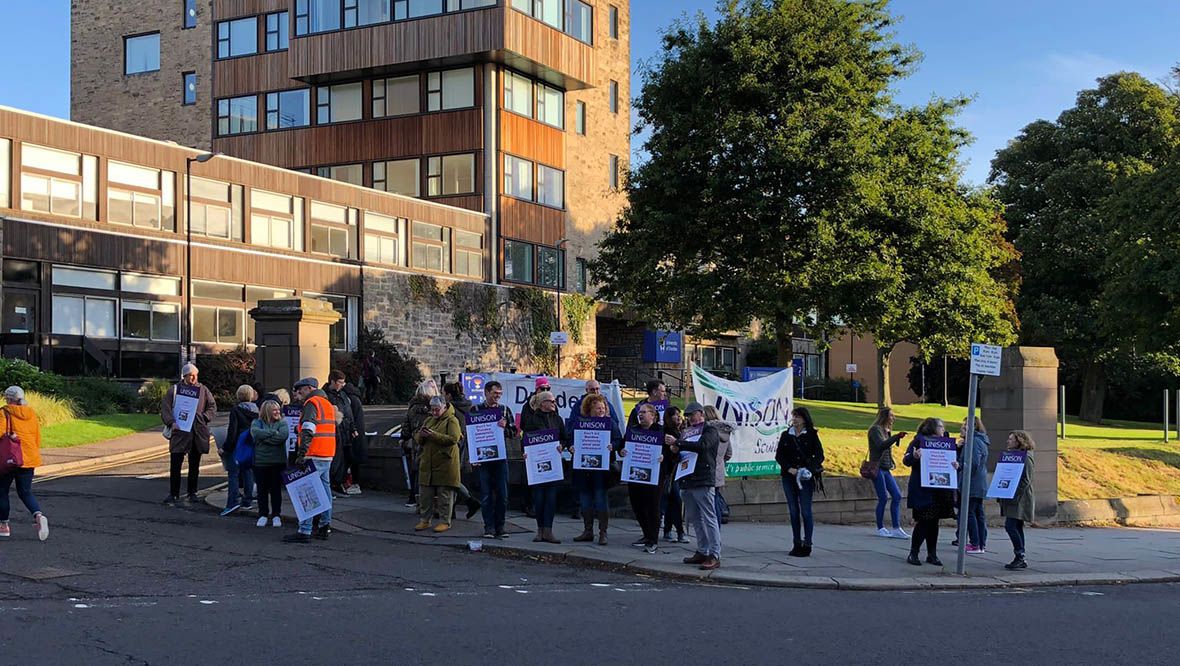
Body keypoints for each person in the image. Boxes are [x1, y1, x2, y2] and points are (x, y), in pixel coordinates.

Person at [282, 377, 337, 544]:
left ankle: (304, 530)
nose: (299, 394)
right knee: (325, 490)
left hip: (313, 452)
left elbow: (308, 429)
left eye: (301, 390)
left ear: (308, 388)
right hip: (327, 453)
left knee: (307, 490)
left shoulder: (311, 403)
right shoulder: (326, 403)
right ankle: (324, 526)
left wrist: (301, 454)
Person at [671, 402, 722, 570]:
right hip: (687, 477)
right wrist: (676, 449)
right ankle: (702, 550)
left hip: (702, 478)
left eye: (693, 414)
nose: (690, 418)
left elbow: (703, 446)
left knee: (709, 517)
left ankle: (714, 554)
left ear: (701, 413)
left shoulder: (710, 430)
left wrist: (679, 443)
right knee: (695, 518)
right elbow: (684, 453)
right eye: (688, 416)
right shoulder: (687, 432)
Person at [902, 417, 959, 566]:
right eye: (940, 426)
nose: (943, 429)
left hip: (940, 489)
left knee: (934, 523)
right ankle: (914, 553)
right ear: (932, 428)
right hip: (923, 489)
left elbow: (954, 462)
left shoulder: (947, 443)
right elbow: (906, 460)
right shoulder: (918, 442)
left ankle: (932, 554)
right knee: (924, 521)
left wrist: (956, 464)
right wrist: (914, 456)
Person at [160, 363, 217, 507]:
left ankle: (193, 493)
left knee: (194, 465)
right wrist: (171, 422)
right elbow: (165, 408)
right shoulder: (174, 390)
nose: (192, 378)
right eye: (189, 375)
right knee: (175, 465)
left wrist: (204, 417)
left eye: (194, 375)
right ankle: (174, 494)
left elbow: (212, 406)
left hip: (197, 432)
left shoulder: (203, 390)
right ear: (184, 376)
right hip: (179, 432)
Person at [570, 393, 621, 546]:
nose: (601, 411)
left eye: (603, 408)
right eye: (598, 408)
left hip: (602, 470)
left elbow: (619, 439)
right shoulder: (580, 423)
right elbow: (570, 438)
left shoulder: (610, 423)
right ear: (589, 409)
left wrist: (613, 446)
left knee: (600, 500)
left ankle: (603, 532)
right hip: (583, 469)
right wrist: (571, 446)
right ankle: (587, 531)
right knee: (585, 500)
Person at [775, 407, 825, 557]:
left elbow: (819, 455)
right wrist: (789, 468)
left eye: (798, 416)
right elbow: (779, 455)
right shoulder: (786, 435)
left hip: (805, 477)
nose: (795, 419)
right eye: (794, 416)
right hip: (789, 476)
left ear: (804, 419)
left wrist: (808, 469)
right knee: (793, 511)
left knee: (805, 510)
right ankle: (796, 542)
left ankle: (807, 543)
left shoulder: (811, 435)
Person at [471, 381, 517, 539]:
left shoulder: (504, 410)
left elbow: (514, 433)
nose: (497, 396)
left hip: (500, 458)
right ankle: (488, 527)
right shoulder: (476, 409)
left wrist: (505, 427)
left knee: (502, 495)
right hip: (483, 459)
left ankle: (501, 527)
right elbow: (471, 434)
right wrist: (473, 457)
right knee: (486, 494)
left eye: (500, 394)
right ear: (486, 392)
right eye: (495, 393)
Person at [1, 386, 48, 540]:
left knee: (2, 492)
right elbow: (37, 438)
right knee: (25, 492)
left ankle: (4, 526)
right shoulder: (31, 413)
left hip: (9, 459)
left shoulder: (4, 412)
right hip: (28, 459)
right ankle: (38, 515)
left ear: (8, 399)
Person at [412, 395, 463, 533]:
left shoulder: (452, 421)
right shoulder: (428, 420)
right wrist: (421, 436)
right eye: (432, 410)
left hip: (445, 463)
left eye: (437, 410)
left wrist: (433, 435)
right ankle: (425, 520)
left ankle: (445, 521)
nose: (434, 412)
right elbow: (417, 438)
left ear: (444, 407)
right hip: (428, 462)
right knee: (425, 495)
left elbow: (453, 438)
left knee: (444, 496)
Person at [521, 390, 566, 544]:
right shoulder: (532, 420)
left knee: (551, 499)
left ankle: (549, 530)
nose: (554, 403)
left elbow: (564, 437)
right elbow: (526, 440)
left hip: (553, 465)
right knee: (539, 499)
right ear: (542, 404)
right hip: (537, 466)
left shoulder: (558, 419)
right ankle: (540, 530)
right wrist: (525, 453)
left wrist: (562, 445)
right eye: (551, 401)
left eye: (554, 401)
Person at [620, 402, 664, 552]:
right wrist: (622, 451)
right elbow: (622, 445)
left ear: (653, 415)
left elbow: (671, 451)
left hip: (654, 476)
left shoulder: (660, 431)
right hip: (635, 476)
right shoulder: (633, 431)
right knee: (637, 506)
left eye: (644, 412)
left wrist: (664, 456)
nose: (640, 415)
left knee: (652, 507)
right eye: (639, 412)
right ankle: (646, 534)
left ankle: (653, 539)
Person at [867, 407, 908, 538]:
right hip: (877, 468)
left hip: (886, 468)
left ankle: (896, 527)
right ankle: (880, 527)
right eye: (891, 415)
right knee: (883, 497)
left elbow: (888, 449)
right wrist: (896, 436)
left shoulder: (886, 431)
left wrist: (894, 437)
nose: (893, 418)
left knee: (896, 495)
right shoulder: (875, 430)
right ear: (884, 417)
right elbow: (881, 446)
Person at [443, 381, 481, 520]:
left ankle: (470, 502)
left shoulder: (450, 408)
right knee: (453, 477)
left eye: (444, 394)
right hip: (466, 446)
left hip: (454, 446)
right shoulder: (470, 406)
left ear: (448, 395)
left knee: (450, 478)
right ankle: (452, 509)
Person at [219, 384, 258, 516]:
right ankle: (247, 501)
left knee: (233, 474)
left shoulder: (236, 410)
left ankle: (232, 502)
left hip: (238, 445)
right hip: (250, 445)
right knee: (248, 472)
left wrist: (225, 448)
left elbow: (232, 432)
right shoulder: (257, 411)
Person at [1000, 430, 1036, 570]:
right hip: (1012, 496)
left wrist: (1013, 494)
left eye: (1011, 439)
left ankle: (1020, 555)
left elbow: (1026, 480)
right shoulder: (1012, 456)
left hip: (1019, 498)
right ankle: (1020, 556)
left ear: (1019, 441)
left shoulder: (1026, 457)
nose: (1008, 441)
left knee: (1011, 526)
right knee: (1016, 526)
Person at [250, 399, 289, 528]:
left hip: (278, 462)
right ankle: (263, 514)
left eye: (278, 409)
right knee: (262, 490)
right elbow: (255, 434)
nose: (278, 412)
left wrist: (264, 440)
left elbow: (283, 436)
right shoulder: (257, 422)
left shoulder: (282, 423)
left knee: (276, 490)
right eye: (275, 410)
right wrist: (273, 433)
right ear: (267, 411)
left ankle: (276, 515)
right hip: (261, 462)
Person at [400, 379, 438, 508]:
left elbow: (406, 427)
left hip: (416, 443)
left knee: (415, 470)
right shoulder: (434, 408)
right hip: (431, 443)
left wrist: (405, 437)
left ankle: (413, 497)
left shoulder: (413, 408)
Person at [956, 415, 991, 553]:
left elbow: (974, 463)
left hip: (973, 483)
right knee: (978, 513)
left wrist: (960, 466)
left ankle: (975, 543)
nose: (962, 429)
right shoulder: (978, 440)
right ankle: (980, 543)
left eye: (965, 426)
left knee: (969, 513)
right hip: (978, 483)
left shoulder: (974, 442)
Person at [323, 370, 356, 496]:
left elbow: (348, 412)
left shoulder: (342, 395)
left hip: (345, 430)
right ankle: (333, 483)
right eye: (340, 382)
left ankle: (339, 482)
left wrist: (353, 428)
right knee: (335, 459)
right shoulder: (326, 395)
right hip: (334, 430)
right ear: (332, 381)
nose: (342, 385)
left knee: (345, 458)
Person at [703, 405, 734, 526]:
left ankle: (712, 534)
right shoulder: (725, 431)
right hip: (719, 470)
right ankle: (717, 532)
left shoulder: (707, 431)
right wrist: (720, 461)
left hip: (707, 469)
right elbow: (729, 453)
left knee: (708, 504)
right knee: (715, 500)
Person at [660, 406, 687, 543]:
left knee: (672, 502)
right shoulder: (667, 432)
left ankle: (668, 529)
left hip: (680, 472)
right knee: (676, 501)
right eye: (675, 415)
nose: (678, 417)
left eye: (679, 414)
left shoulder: (682, 431)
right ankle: (679, 531)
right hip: (670, 472)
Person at [342, 382, 367, 495]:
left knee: (351, 461)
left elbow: (349, 417)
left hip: (352, 434)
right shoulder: (355, 398)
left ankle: (353, 484)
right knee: (355, 461)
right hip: (358, 433)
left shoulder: (349, 399)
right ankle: (355, 483)